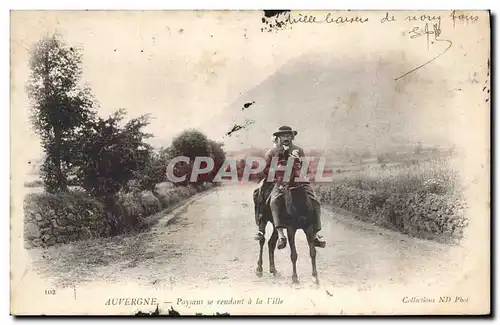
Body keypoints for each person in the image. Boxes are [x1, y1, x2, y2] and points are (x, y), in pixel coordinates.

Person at [254, 125, 326, 250]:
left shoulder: (299, 150)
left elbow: (306, 168)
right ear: (279, 138)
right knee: (274, 201)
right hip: (279, 182)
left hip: (299, 182)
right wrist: (277, 172)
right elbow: (265, 169)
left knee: (315, 201)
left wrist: (297, 165)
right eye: (283, 136)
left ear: (292, 137)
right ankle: (280, 235)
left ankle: (315, 234)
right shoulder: (272, 152)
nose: (286, 138)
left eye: (288, 135)